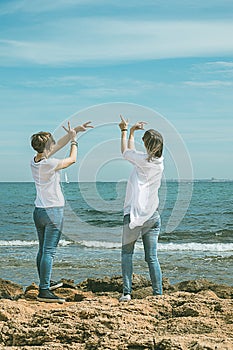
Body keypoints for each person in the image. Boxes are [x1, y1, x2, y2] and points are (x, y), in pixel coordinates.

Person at [30, 121, 93, 303]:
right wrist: (74, 142)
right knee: (49, 251)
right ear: (48, 146)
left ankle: (45, 281)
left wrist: (74, 133)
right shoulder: (50, 164)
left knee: (42, 250)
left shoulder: (34, 161)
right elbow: (72, 159)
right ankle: (44, 290)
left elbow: (55, 147)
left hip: (39, 211)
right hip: (53, 211)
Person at [118, 115, 164, 301]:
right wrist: (135, 133)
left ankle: (127, 293)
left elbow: (125, 151)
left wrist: (127, 131)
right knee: (151, 258)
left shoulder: (142, 161)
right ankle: (158, 293)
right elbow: (133, 152)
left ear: (146, 146)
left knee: (127, 254)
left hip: (134, 216)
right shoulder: (159, 163)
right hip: (153, 216)